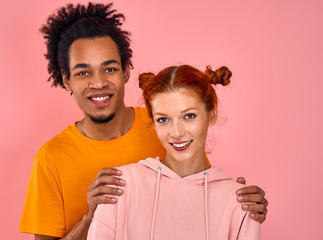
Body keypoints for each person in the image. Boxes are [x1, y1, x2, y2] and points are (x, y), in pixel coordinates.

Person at [19, 3, 268, 240]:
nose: (98, 83)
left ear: (126, 70)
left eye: (110, 68)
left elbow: (198, 186)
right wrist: (90, 216)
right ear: (66, 79)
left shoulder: (164, 126)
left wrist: (239, 203)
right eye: (83, 72)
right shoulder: (50, 158)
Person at [87, 65, 261, 239]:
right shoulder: (122, 185)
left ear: (212, 114)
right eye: (163, 119)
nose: (176, 132)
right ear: (153, 123)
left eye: (189, 116)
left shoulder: (240, 202)